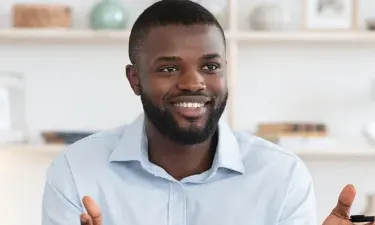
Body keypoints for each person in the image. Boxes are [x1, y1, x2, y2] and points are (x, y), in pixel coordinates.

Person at [41, 1, 368, 225]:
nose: (194, 83)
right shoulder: (76, 172)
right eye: (169, 67)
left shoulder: (282, 177)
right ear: (135, 79)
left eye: (210, 66)